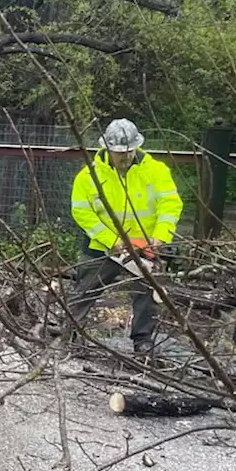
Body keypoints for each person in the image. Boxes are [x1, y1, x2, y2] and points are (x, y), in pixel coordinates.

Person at [68, 118, 183, 356]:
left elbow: (170, 204)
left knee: (147, 294)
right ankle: (68, 330)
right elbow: (82, 212)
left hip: (144, 247)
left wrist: (160, 237)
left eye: (130, 151)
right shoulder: (88, 176)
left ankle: (143, 341)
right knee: (85, 288)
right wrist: (114, 241)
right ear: (107, 149)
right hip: (103, 245)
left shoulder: (156, 171)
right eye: (120, 152)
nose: (126, 156)